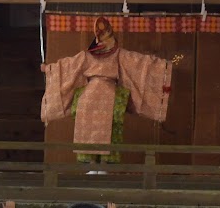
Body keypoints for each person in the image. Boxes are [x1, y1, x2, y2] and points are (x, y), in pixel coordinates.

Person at [40, 16, 172, 164]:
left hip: (93, 97)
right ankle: (93, 164)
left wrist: (49, 69)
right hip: (104, 97)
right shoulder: (91, 55)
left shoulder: (111, 54)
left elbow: (67, 66)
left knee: (103, 129)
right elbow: (141, 63)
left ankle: (99, 164)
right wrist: (161, 66)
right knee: (93, 130)